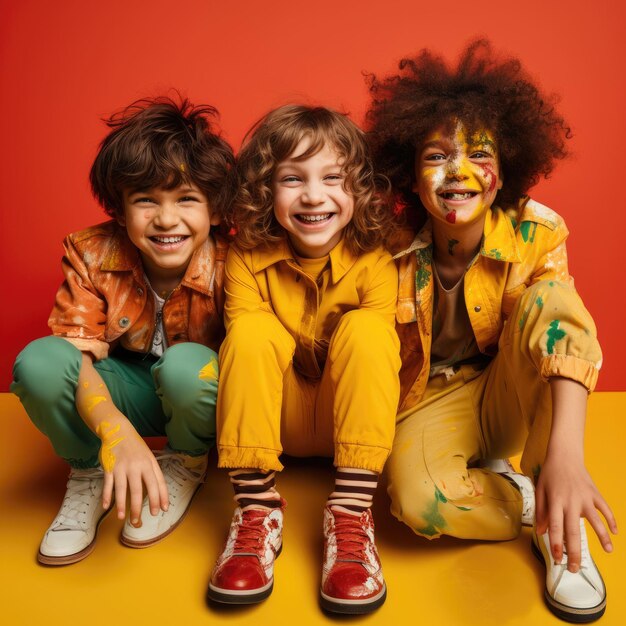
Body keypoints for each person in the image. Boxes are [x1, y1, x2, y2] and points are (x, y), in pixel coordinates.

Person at [366, 39, 617, 623]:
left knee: (551, 296)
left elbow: (563, 328)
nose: (458, 173)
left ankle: (561, 530)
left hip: (510, 389)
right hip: (429, 400)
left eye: (478, 153)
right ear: (409, 172)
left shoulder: (538, 232)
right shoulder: (385, 245)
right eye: (435, 155)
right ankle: (536, 502)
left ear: (504, 170)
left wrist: (564, 457)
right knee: (416, 503)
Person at [11, 96, 234, 565]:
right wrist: (115, 433)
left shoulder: (235, 264)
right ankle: (88, 471)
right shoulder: (91, 252)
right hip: (121, 396)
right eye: (146, 200)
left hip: (202, 397)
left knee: (186, 364)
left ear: (215, 210)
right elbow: (76, 359)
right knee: (42, 360)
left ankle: (186, 462)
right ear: (119, 209)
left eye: (187, 199)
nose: (166, 219)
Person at [206, 105, 401, 614]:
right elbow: (246, 351)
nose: (313, 196)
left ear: (358, 189)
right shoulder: (246, 259)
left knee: (367, 329)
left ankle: (352, 514)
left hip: (350, 426)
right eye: (293, 179)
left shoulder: (378, 262)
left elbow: (374, 362)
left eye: (333, 178)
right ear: (266, 192)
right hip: (279, 422)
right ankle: (256, 512)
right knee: (248, 330)